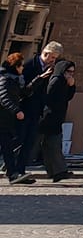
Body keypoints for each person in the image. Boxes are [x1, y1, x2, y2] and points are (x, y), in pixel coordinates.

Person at [31, 48, 75, 182]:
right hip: (46, 117)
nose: (70, 74)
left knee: (53, 145)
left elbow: (68, 97)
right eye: (68, 71)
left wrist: (72, 86)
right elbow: (49, 97)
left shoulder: (65, 82)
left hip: (55, 118)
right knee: (32, 143)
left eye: (73, 72)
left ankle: (58, 172)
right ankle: (9, 165)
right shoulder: (56, 80)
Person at [0, 51, 32, 185]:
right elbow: (3, 98)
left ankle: (12, 173)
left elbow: (24, 93)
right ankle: (12, 173)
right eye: (21, 66)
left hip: (6, 121)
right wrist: (16, 110)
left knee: (8, 147)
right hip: (2, 119)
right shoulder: (5, 79)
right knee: (7, 147)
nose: (23, 68)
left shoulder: (15, 80)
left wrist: (39, 79)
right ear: (15, 66)